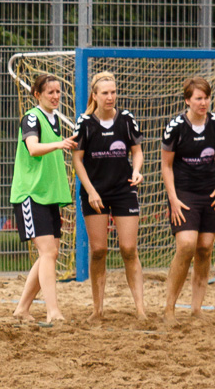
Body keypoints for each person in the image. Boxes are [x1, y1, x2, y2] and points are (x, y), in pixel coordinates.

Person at [72, 71, 146, 319]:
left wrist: (136, 171)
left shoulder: (126, 119)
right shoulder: (84, 122)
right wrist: (90, 190)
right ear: (95, 95)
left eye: (113, 92)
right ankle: (97, 310)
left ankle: (141, 309)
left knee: (128, 248)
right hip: (96, 192)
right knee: (98, 250)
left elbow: (137, 152)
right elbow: (77, 160)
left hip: (123, 189)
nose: (110, 97)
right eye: (105, 93)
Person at [9, 73, 76, 323]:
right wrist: (59, 144)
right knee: (48, 253)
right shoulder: (32, 118)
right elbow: (33, 148)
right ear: (37, 94)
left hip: (48, 197)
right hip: (31, 194)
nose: (56, 96)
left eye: (58, 91)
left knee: (51, 253)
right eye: (50, 92)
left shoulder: (54, 118)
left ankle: (22, 309)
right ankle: (53, 311)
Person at [161, 76, 215, 319]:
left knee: (205, 248)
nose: (204, 102)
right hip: (184, 193)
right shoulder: (175, 127)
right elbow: (166, 166)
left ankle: (196, 308)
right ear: (188, 100)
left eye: (207, 97)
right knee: (187, 245)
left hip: (210, 191)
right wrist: (173, 199)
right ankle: (169, 306)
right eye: (199, 98)